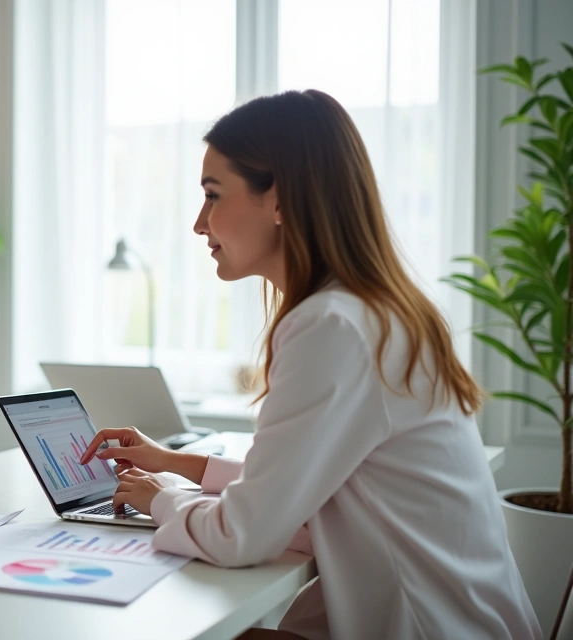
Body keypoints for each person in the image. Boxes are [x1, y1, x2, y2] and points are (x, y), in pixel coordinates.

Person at [80, 90, 540, 639]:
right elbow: (302, 492)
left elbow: (241, 538)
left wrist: (163, 499)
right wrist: (181, 465)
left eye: (212, 195)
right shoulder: (372, 312)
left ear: (281, 200)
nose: (200, 224)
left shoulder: (331, 327)